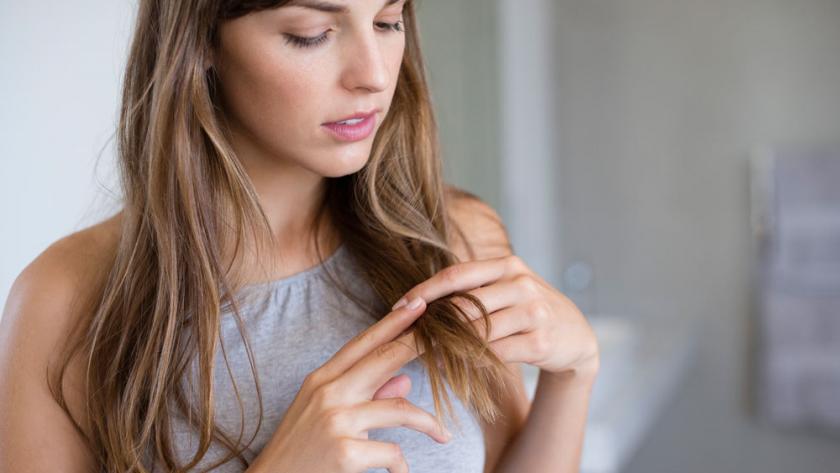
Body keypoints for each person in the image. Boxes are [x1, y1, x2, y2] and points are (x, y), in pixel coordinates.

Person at [0, 0, 600, 472]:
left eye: (389, 21)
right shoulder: (66, 299)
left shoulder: (451, 239)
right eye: (312, 33)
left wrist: (573, 375)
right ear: (200, 39)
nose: (372, 76)